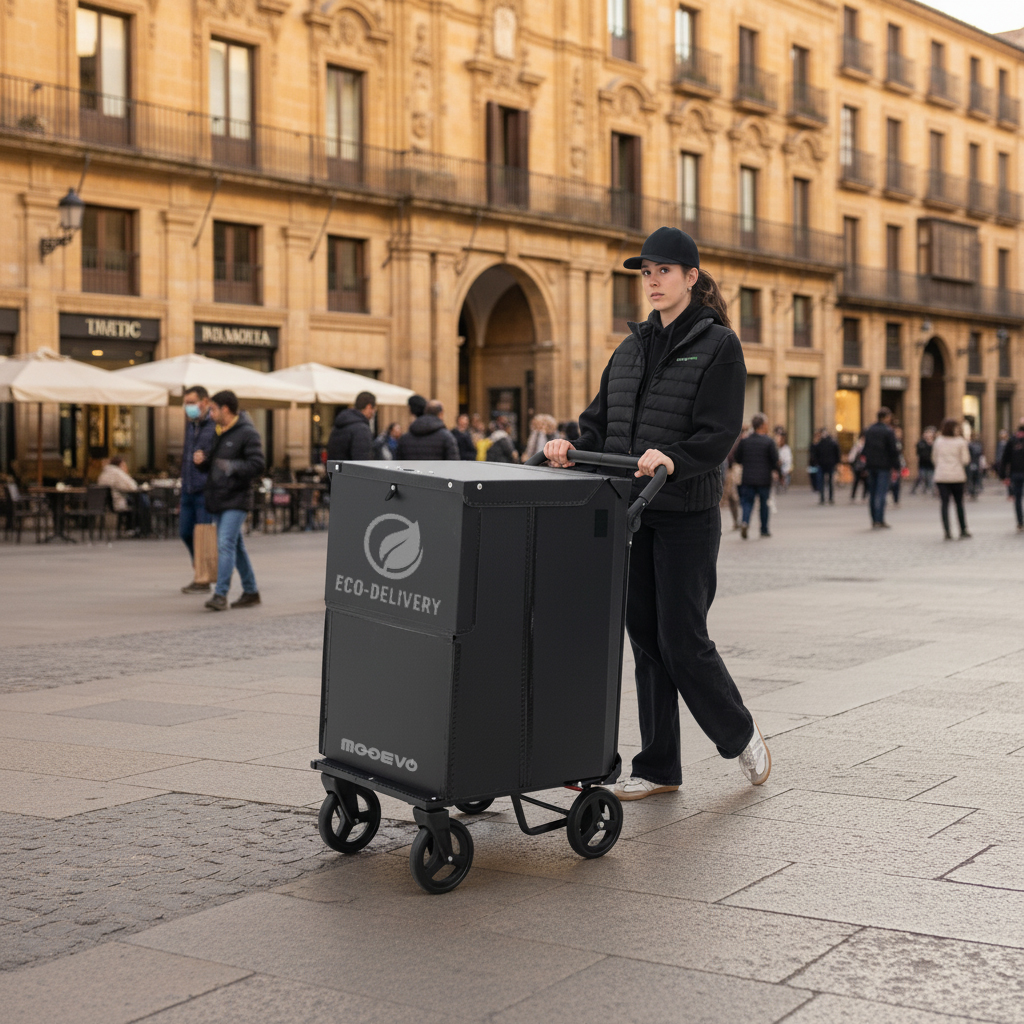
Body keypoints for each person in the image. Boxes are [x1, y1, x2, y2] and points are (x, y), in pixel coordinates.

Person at [542, 225, 770, 801]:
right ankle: (659, 766)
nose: (652, 281)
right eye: (646, 272)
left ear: (691, 278)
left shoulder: (719, 345)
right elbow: (600, 421)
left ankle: (738, 732)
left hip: (686, 513)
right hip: (633, 510)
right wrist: (570, 447)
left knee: (681, 637)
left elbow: (718, 435)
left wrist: (674, 456)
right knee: (644, 637)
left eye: (663, 271)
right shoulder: (629, 348)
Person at [194, 390, 266, 610]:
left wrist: (234, 467)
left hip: (237, 498)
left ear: (225, 409)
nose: (210, 412)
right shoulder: (219, 431)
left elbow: (258, 465)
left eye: (213, 408)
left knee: (225, 543)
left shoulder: (247, 433)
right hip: (218, 497)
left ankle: (220, 594)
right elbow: (216, 464)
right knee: (236, 546)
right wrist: (203, 461)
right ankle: (251, 591)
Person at [179, 386, 216, 592]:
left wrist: (206, 458)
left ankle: (202, 578)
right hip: (188, 487)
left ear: (205, 401)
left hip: (203, 488)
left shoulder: (213, 425)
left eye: (192, 402)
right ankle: (199, 566)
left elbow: (215, 454)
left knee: (203, 533)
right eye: (186, 403)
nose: (188, 407)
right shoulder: (190, 425)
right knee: (185, 532)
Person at [734, 413, 779, 538]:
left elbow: (737, 458)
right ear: (763, 425)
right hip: (764, 479)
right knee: (764, 504)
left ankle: (745, 522)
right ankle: (764, 529)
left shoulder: (745, 441)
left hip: (748, 478)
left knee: (747, 502)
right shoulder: (769, 441)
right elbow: (775, 459)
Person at [933, 417, 971, 541]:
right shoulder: (960, 442)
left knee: (944, 504)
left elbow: (934, 458)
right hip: (957, 476)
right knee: (959, 503)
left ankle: (947, 531)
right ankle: (963, 529)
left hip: (942, 476)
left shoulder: (938, 441)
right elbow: (965, 460)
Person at [863, 408, 900, 529]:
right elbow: (893, 450)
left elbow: (865, 449)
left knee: (872, 493)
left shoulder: (869, 430)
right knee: (881, 493)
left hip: (871, 465)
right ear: (885, 417)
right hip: (884, 466)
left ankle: (874, 519)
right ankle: (879, 519)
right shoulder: (888, 431)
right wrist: (896, 466)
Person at [97, 456, 149, 536]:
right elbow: (132, 487)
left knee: (139, 500)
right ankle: (141, 528)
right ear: (120, 464)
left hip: (110, 502)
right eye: (124, 465)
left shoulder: (105, 472)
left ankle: (133, 527)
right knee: (142, 501)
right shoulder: (117, 473)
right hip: (119, 502)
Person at [326, 391, 376, 462]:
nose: (374, 413)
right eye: (374, 409)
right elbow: (362, 462)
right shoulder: (361, 429)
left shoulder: (339, 425)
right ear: (369, 407)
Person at [997, 422, 1024, 532]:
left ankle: (1020, 522)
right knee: (1017, 498)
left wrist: (1003, 475)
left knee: (1017, 498)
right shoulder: (1012, 441)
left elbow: (1005, 459)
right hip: (1017, 473)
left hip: (1015, 473)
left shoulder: (1012, 441)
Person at [810, 428, 840, 504]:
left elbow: (814, 453)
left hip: (822, 464)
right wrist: (836, 463)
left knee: (823, 482)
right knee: (829, 482)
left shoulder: (821, 443)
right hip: (828, 464)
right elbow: (837, 454)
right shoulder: (832, 443)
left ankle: (823, 498)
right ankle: (829, 498)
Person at [912, 428, 936, 495]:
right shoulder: (921, 443)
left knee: (930, 478)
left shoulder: (934, 443)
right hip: (922, 464)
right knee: (921, 477)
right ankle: (915, 489)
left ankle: (931, 491)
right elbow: (918, 453)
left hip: (930, 464)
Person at [848, 432, 869, 501]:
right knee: (857, 481)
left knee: (865, 482)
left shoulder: (864, 445)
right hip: (859, 466)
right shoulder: (858, 445)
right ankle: (854, 495)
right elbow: (852, 455)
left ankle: (863, 495)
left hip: (863, 466)